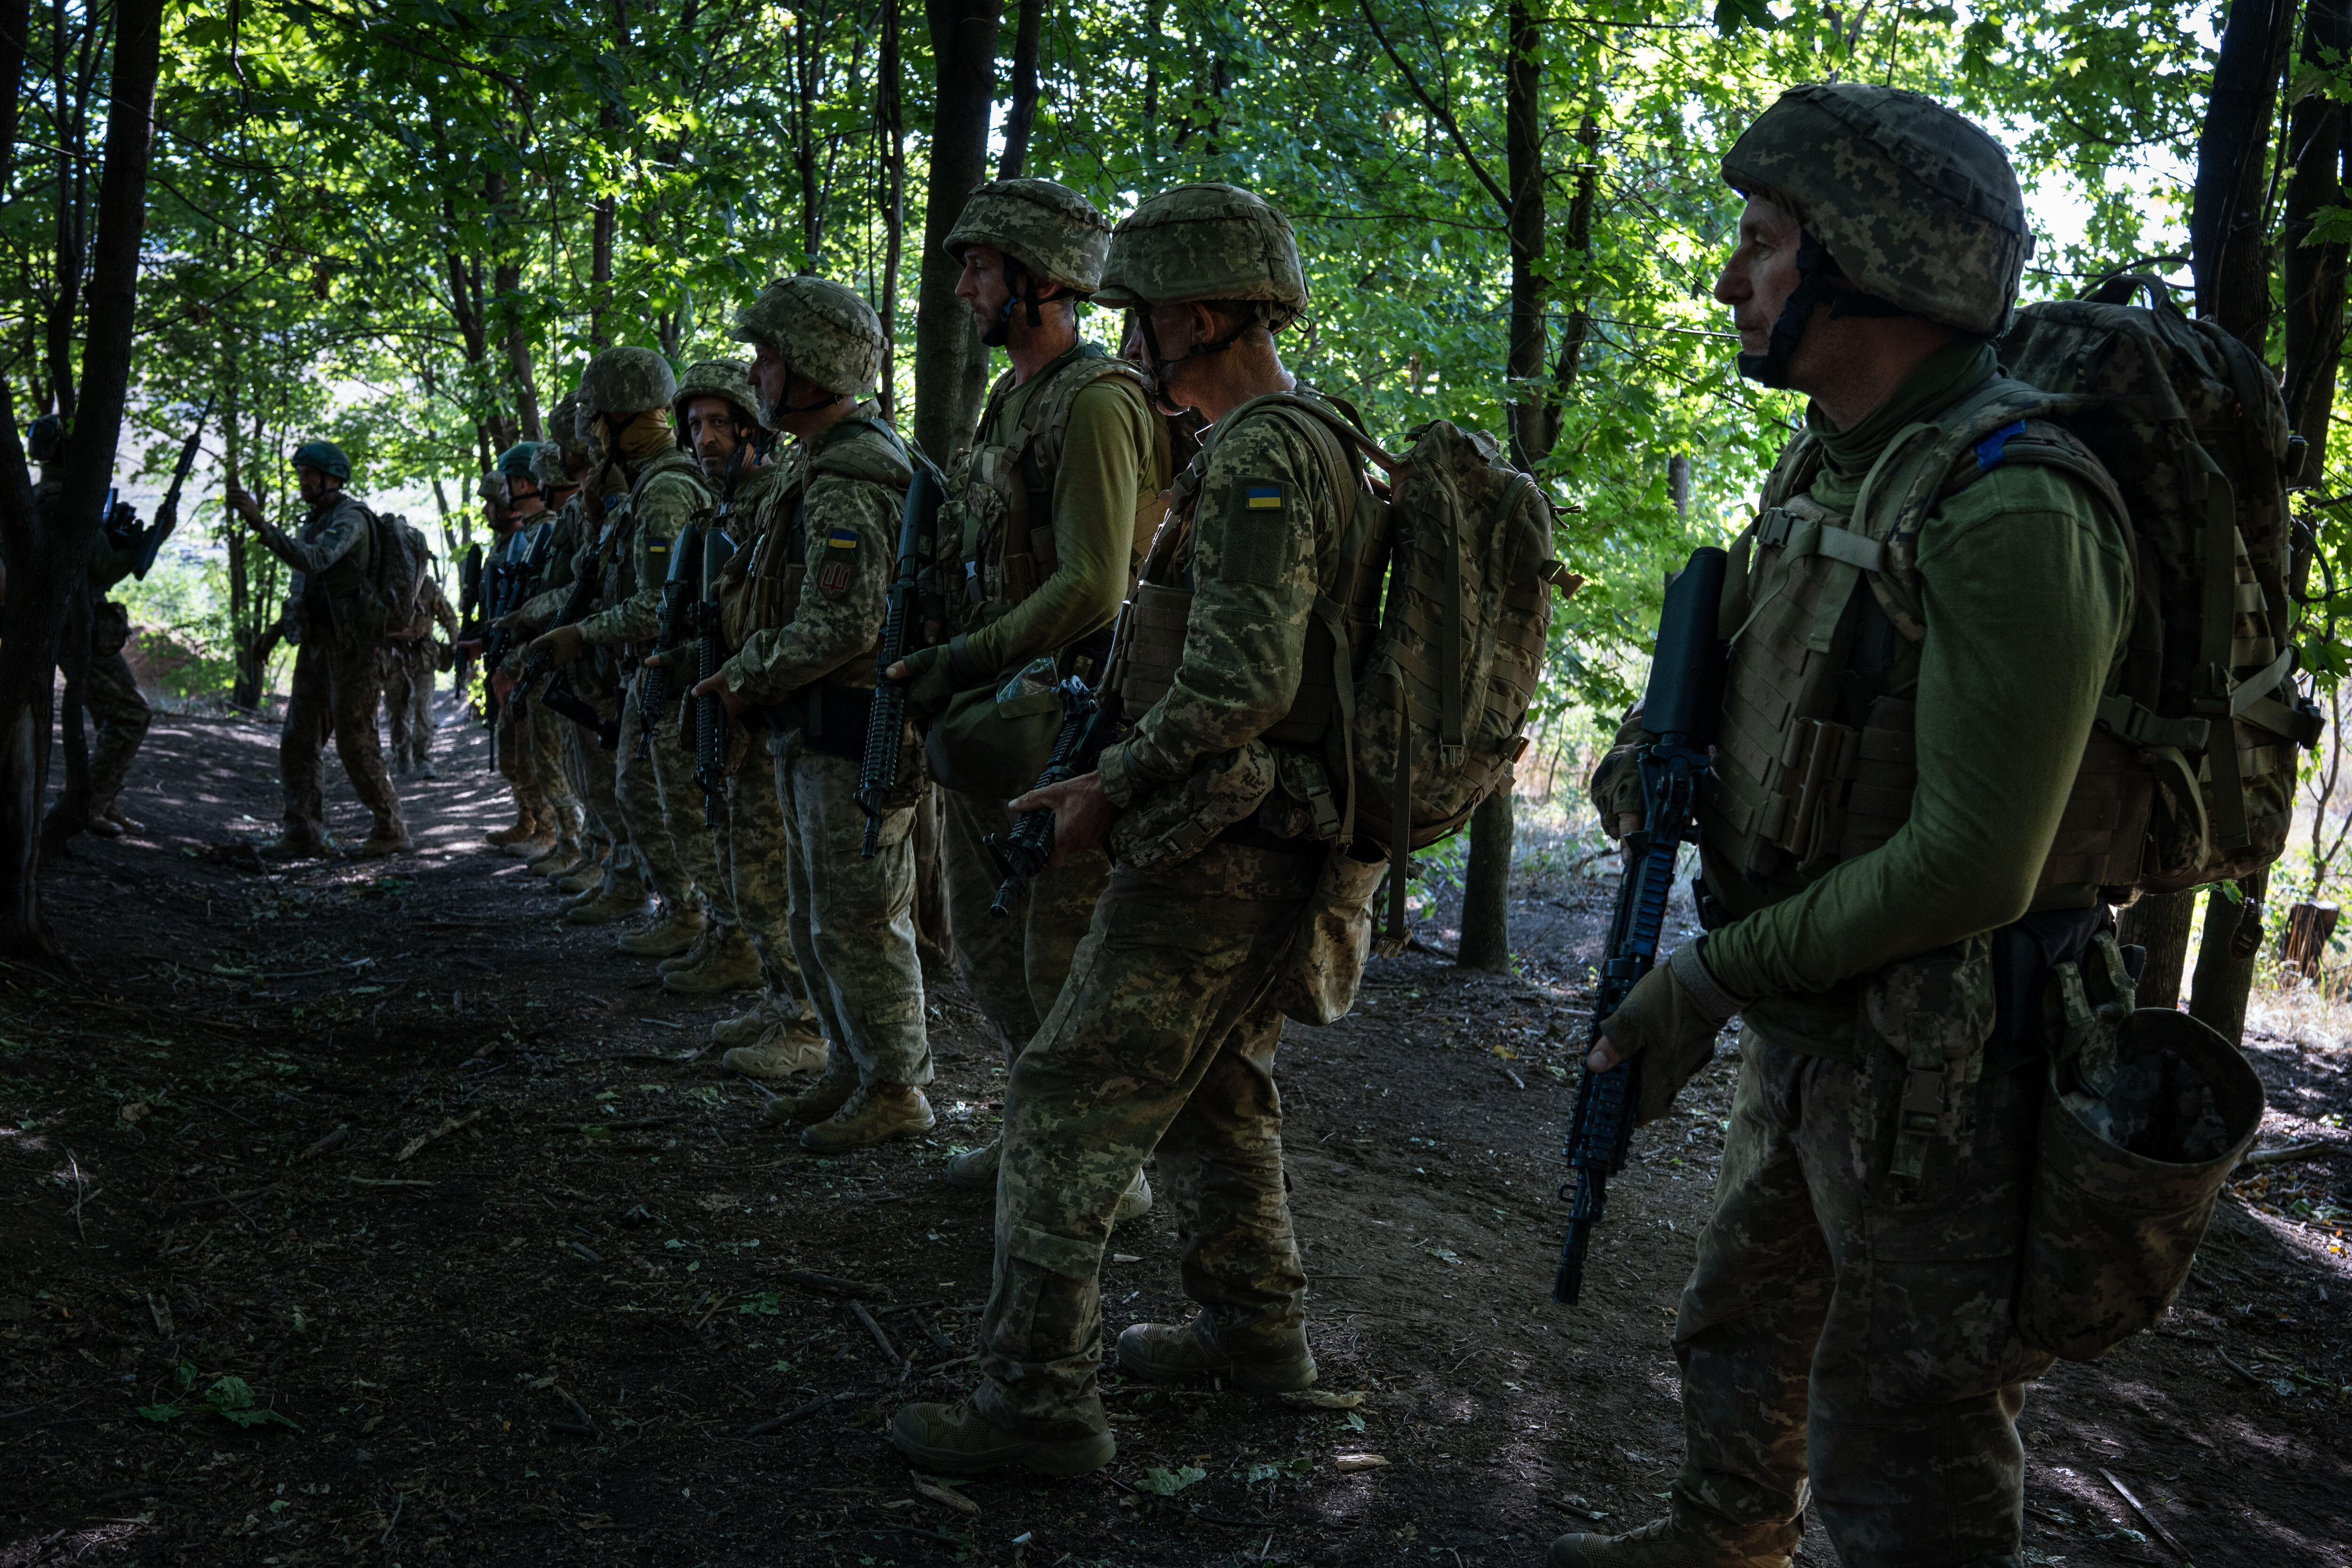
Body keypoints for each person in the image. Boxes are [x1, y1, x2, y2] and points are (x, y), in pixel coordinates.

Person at [1548, 85, 2138, 1568]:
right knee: (1742, 1311)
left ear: (1871, 260)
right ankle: (1724, 1536)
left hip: (1946, 1052)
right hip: (1809, 1008)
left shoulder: (2015, 504)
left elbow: (1972, 861)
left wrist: (1705, 981)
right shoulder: (1833, 458)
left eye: (1758, 242)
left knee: (1906, 1422)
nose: (1727, 277)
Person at [891, 183, 1376, 1479]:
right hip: (1258, 831)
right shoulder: (1287, 440)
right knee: (1219, 1089)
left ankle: (1036, 1401)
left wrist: (1113, 778)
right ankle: (1255, 1331)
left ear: (1205, 313)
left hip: (1224, 838)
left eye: (1147, 311)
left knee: (1065, 1089)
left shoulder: (1271, 452)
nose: (1133, 333)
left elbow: (1241, 682)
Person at [887, 178, 1172, 1208]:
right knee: (985, 949)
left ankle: (1101, 1176)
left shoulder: (1097, 401)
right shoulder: (1013, 400)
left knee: (1058, 960)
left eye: (979, 268)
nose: (962, 287)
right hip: (992, 723)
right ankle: (1036, 1139)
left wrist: (962, 657)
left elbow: (1094, 585)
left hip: (1063, 725)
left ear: (1040, 283)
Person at [688, 275, 933, 1149]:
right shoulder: (820, 466)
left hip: (853, 722)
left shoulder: (850, 476)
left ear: (815, 367)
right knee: (814, 911)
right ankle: (851, 1063)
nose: (755, 375)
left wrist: (746, 674)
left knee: (861, 916)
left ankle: (898, 1085)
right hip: (816, 724)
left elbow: (843, 620)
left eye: (769, 359)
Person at [526, 346, 720, 962]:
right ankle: (693, 918)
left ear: (616, 417)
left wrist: (580, 635)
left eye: (596, 419)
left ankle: (712, 926)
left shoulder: (664, 490)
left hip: (670, 674)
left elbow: (658, 606)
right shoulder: (640, 486)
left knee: (672, 811)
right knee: (642, 800)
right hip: (645, 673)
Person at [659, 356, 826, 1058]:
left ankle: (804, 1026)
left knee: (766, 877)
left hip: (772, 715)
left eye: (720, 424)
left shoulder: (782, 500)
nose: (706, 439)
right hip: (734, 712)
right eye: (695, 426)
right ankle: (779, 1002)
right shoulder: (722, 509)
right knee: (739, 868)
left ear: (755, 427)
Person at [231, 440, 409, 858]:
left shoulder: (350, 520)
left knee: (355, 742)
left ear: (334, 478)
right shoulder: (316, 520)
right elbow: (308, 588)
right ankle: (303, 832)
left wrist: (261, 525)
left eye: (311, 474)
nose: (303, 482)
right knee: (297, 740)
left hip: (356, 652)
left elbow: (314, 560)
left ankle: (392, 827)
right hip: (316, 649)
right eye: (301, 474)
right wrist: (278, 630)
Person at [30, 415, 155, 837]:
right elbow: (103, 568)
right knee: (131, 714)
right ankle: (91, 806)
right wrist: (145, 546)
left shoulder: (41, 494)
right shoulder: (68, 499)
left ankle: (102, 801)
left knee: (114, 714)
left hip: (60, 624)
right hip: (72, 628)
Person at [380, 516, 456, 779]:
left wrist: (457, 647)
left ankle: (423, 758)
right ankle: (402, 758)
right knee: (397, 709)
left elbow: (449, 618)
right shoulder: (384, 586)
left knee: (423, 708)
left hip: (423, 656)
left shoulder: (428, 588)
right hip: (392, 655)